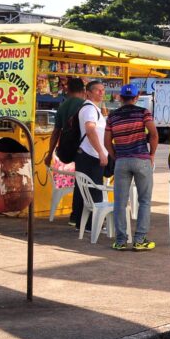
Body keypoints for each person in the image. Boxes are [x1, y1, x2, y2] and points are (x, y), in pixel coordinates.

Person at [105, 84, 159, 251]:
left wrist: (116, 156)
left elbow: (107, 142)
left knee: (120, 202)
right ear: (136, 98)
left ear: (120, 98)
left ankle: (120, 241)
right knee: (144, 201)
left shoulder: (112, 117)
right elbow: (154, 134)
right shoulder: (143, 113)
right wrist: (151, 155)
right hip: (141, 160)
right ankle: (140, 240)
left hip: (122, 161)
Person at [44, 77, 84, 224]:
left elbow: (56, 132)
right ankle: (79, 216)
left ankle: (75, 215)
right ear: (83, 90)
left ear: (68, 90)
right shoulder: (84, 104)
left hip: (66, 150)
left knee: (79, 181)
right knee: (85, 182)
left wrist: (50, 154)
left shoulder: (63, 106)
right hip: (83, 150)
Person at [73, 80, 109, 231]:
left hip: (89, 154)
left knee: (87, 190)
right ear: (88, 92)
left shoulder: (94, 108)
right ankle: (92, 224)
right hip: (90, 155)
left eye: (102, 90)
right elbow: (90, 129)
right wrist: (101, 152)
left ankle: (83, 223)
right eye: (97, 90)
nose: (101, 93)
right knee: (94, 190)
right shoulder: (89, 109)